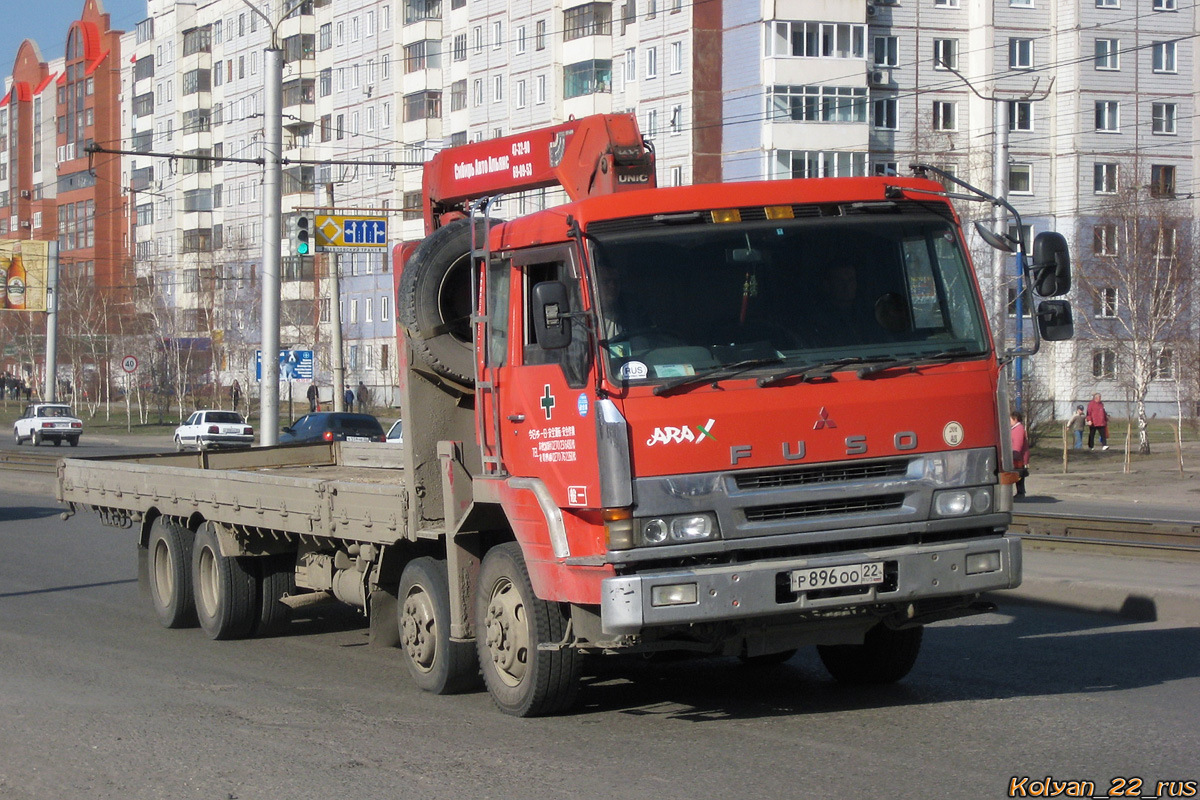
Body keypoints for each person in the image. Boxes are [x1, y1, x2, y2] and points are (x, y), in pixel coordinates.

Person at [1010, 410, 1030, 498]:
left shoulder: (1018, 429)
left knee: (1018, 474)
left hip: (1018, 456)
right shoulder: (1018, 428)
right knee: (1018, 474)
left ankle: (1020, 492)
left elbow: (1018, 443)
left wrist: (1015, 454)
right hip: (1019, 456)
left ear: (1015, 419)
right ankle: (1020, 491)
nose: (1009, 421)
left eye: (1010, 419)